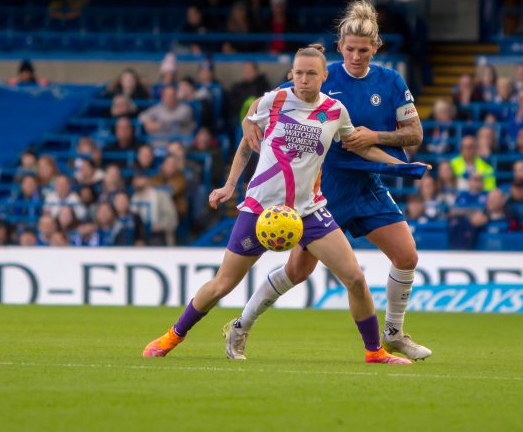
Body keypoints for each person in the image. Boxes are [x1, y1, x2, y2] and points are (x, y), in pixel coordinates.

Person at [142, 44, 420, 365]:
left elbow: (358, 147)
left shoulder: (335, 110)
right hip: (261, 209)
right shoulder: (273, 101)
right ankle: (173, 336)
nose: (303, 79)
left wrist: (398, 165)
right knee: (222, 285)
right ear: (291, 74)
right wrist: (229, 185)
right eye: (298, 73)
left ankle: (375, 352)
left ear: (324, 76)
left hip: (308, 210)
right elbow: (247, 144)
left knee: (355, 278)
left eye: (311, 73)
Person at [227, 0, 430, 361]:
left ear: (376, 48)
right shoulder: (322, 75)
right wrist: (248, 119)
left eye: (363, 50)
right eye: (350, 49)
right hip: (323, 190)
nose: (356, 56)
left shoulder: (391, 82)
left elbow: (414, 133)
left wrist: (376, 137)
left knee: (406, 255)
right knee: (297, 271)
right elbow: (269, 102)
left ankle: (394, 333)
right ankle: (242, 324)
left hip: (367, 185)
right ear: (340, 46)